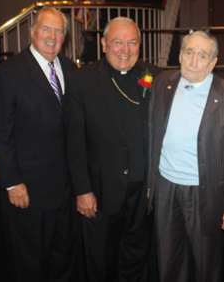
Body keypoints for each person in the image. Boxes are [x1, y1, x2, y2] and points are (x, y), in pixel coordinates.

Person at [64, 17, 162, 282]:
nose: (125, 50)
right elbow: (73, 143)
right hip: (101, 192)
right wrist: (83, 190)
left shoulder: (155, 76)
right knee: (101, 262)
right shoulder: (81, 80)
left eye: (132, 43)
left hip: (145, 193)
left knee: (137, 258)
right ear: (104, 44)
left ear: (140, 45)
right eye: (118, 42)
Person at [0, 7, 79, 281]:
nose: (52, 36)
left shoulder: (72, 69)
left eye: (59, 31)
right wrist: (12, 182)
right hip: (30, 191)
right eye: (46, 29)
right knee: (31, 263)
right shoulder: (9, 73)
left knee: (64, 259)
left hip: (68, 190)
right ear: (32, 32)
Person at [147, 30, 224, 282]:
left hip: (206, 192)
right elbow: (151, 135)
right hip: (166, 187)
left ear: (213, 62)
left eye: (202, 56)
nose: (193, 61)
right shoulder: (162, 83)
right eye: (189, 53)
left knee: (206, 264)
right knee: (168, 260)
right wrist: (151, 183)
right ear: (180, 55)